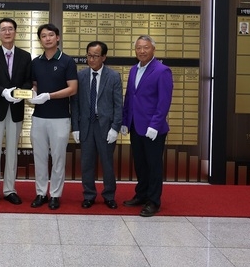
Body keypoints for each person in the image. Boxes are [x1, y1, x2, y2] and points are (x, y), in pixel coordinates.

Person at [0, 18, 32, 206]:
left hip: (16, 108)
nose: (7, 32)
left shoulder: (25, 56)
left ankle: (10, 189)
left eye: (10, 29)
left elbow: (29, 80)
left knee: (12, 151)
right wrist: (4, 92)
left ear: (15, 32)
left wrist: (20, 94)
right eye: (3, 29)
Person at [121, 35, 173, 217]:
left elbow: (164, 101)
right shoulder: (134, 69)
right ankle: (141, 195)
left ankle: (153, 201)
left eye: (145, 48)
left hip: (153, 129)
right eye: (138, 48)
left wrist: (155, 125)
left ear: (153, 50)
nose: (142, 51)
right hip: (136, 125)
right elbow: (129, 97)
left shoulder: (162, 70)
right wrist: (125, 121)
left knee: (153, 166)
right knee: (140, 164)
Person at [28, 23, 78, 210]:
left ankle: (55, 194)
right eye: (43, 36)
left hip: (60, 118)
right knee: (39, 157)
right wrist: (33, 94)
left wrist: (49, 95)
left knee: (58, 158)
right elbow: (34, 85)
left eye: (51, 35)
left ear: (57, 38)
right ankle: (41, 193)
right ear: (40, 40)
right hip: (39, 117)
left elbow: (73, 88)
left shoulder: (67, 61)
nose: (47, 38)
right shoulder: (35, 62)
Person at [70, 41, 122, 209]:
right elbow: (75, 103)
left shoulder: (113, 76)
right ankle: (89, 195)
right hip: (86, 125)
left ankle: (109, 195)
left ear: (104, 57)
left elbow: (118, 104)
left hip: (105, 126)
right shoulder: (81, 76)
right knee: (86, 163)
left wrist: (115, 127)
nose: (91, 59)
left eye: (95, 56)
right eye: (89, 55)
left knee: (107, 163)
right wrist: (75, 127)